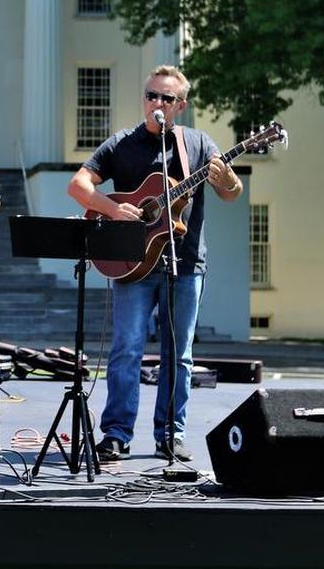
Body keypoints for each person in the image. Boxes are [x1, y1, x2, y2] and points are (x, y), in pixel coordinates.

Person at [68, 65, 242, 462]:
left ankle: (170, 434)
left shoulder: (197, 144)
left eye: (166, 98)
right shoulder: (122, 144)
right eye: (151, 96)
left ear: (180, 105)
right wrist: (113, 209)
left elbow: (231, 192)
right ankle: (116, 434)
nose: (156, 104)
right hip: (131, 264)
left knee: (179, 353)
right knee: (126, 348)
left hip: (185, 263)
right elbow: (78, 185)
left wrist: (227, 179)